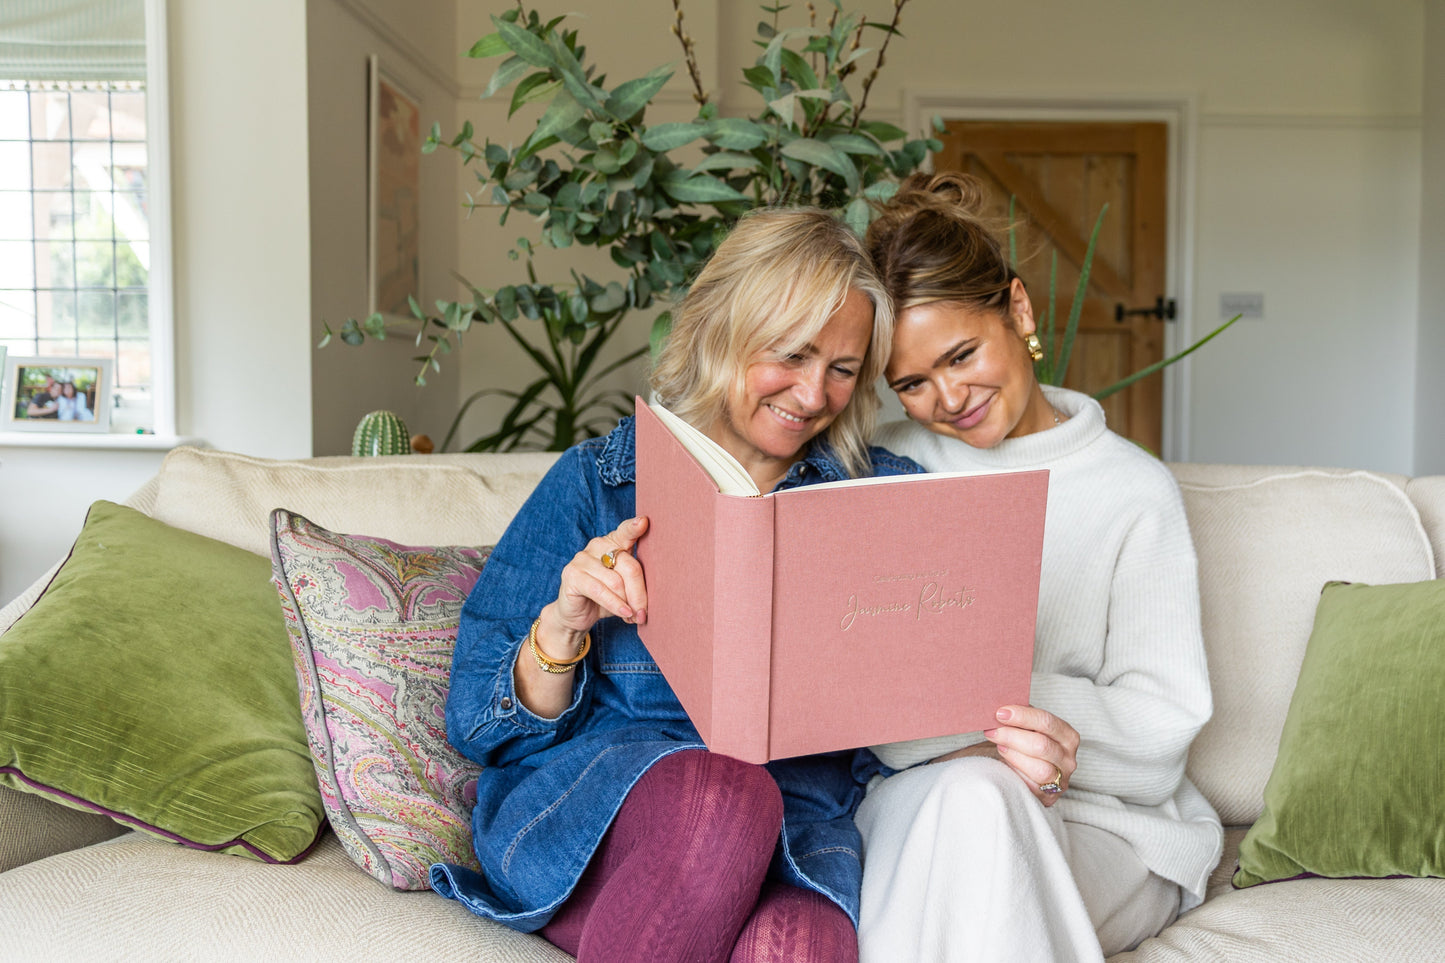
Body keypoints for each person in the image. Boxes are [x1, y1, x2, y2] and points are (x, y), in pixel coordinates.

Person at [433, 207, 920, 963]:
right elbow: (474, 721)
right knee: (721, 800)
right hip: (598, 817)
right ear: (721, 331)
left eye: (843, 369)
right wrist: (563, 625)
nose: (814, 393)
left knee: (802, 945)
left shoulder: (886, 500)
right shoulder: (598, 482)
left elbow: (936, 709)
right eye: (789, 355)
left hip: (795, 835)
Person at [854, 172, 1223, 962]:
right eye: (911, 383)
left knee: (980, 814)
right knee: (975, 799)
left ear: (1016, 311)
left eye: (961, 354)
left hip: (1107, 826)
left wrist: (1014, 719)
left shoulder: (1133, 491)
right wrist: (981, 740)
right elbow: (858, 706)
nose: (946, 398)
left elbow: (1162, 731)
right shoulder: (879, 470)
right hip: (923, 807)